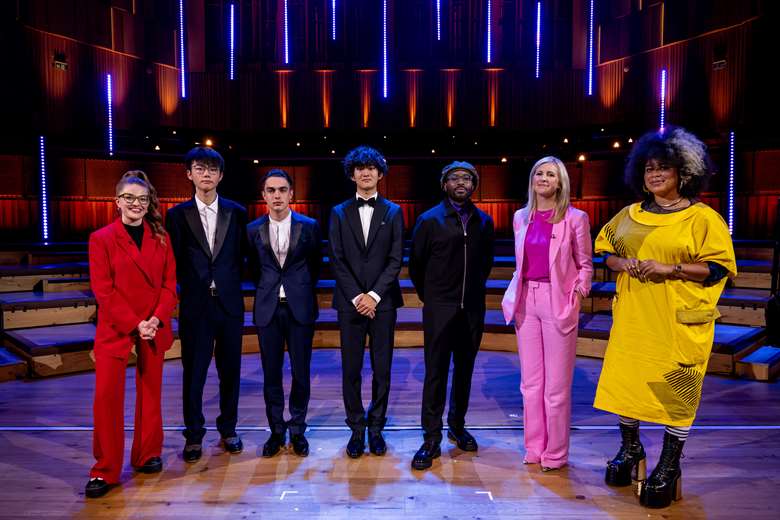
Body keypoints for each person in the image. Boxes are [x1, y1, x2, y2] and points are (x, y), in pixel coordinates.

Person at [594, 127, 736, 508]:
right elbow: (605, 252)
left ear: (684, 174)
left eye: (665, 168)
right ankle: (631, 449)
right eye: (649, 168)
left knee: (677, 394)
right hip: (635, 318)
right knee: (628, 386)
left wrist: (670, 270)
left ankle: (670, 463)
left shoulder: (703, 219)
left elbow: (719, 269)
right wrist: (623, 262)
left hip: (678, 321)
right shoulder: (628, 216)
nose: (655, 175)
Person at [85, 171, 177, 498]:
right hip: (117, 327)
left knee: (150, 393)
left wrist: (155, 319)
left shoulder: (161, 237)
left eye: (142, 199)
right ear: (117, 201)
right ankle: (105, 469)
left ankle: (147, 453)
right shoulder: (102, 238)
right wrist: (136, 323)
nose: (136, 204)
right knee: (107, 399)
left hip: (153, 325)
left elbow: (169, 286)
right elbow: (103, 291)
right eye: (129, 198)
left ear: (149, 201)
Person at [501, 156, 593, 471]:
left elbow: (586, 265)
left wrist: (577, 292)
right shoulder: (520, 217)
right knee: (531, 384)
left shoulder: (575, 218)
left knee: (556, 388)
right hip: (527, 300)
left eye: (550, 174)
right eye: (539, 172)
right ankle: (534, 447)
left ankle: (556, 453)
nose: (543, 178)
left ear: (560, 182)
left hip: (558, 302)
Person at [409, 161, 495, 470]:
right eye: (454, 178)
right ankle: (431, 437)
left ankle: (457, 426)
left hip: (472, 309)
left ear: (473, 185)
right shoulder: (428, 220)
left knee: (464, 372)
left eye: (467, 178)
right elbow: (416, 266)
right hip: (439, 309)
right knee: (435, 373)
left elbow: (486, 265)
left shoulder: (484, 222)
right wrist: (433, 298)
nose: (461, 182)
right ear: (444, 184)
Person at [165, 147, 248, 462]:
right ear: (189, 174)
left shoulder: (237, 212)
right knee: (194, 373)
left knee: (231, 372)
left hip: (229, 305)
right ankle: (194, 435)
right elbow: (171, 260)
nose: (206, 174)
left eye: (212, 169)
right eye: (200, 168)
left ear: (221, 175)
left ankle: (228, 429)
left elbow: (244, 257)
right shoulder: (176, 215)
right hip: (196, 306)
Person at [328, 146, 404, 458]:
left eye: (371, 168)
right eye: (360, 168)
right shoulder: (338, 212)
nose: (366, 172)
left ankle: (376, 428)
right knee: (351, 369)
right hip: (350, 303)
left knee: (382, 368)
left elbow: (395, 258)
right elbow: (336, 258)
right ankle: (356, 429)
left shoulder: (394, 212)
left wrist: (373, 295)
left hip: (383, 303)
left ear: (380, 173)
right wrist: (358, 297)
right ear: (352, 174)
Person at [247, 169, 322, 457]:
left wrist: (298, 288)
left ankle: (298, 429)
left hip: (300, 308)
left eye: (282, 190)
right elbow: (253, 269)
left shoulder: (310, 226)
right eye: (271, 190)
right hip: (268, 309)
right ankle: (276, 431)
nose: (276, 195)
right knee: (271, 374)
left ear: (292, 194)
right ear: (263, 195)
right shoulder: (252, 229)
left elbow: (314, 265)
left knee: (301, 373)